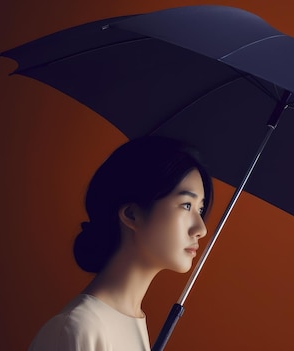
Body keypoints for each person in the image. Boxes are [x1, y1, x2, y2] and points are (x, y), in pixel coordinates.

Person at [29, 136, 213, 351]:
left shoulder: (132, 323)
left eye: (200, 209)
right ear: (132, 214)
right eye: (186, 205)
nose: (201, 229)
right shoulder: (79, 328)